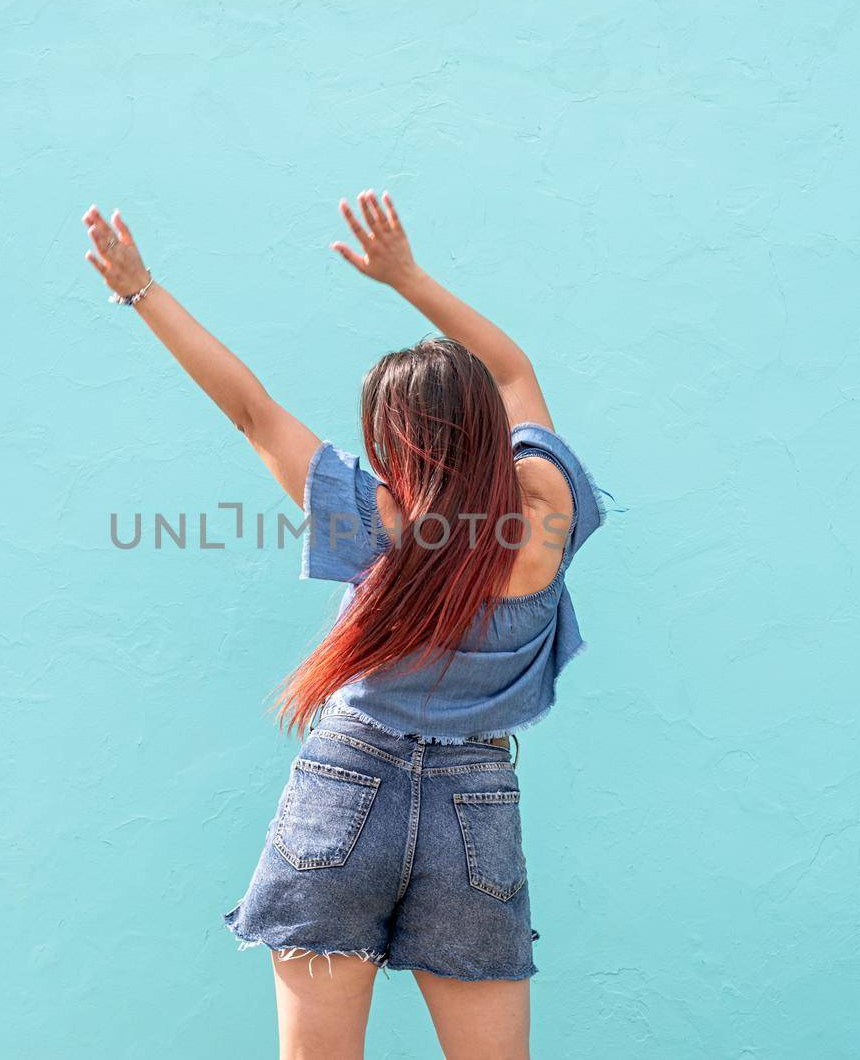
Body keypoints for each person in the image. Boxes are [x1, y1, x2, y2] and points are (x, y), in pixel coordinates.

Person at [82, 190, 606, 1060]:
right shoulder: (548, 508)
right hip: (475, 803)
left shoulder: (371, 520)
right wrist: (408, 277)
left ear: (395, 443)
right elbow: (512, 371)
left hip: (344, 787)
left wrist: (143, 291)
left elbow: (249, 409)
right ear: (486, 431)